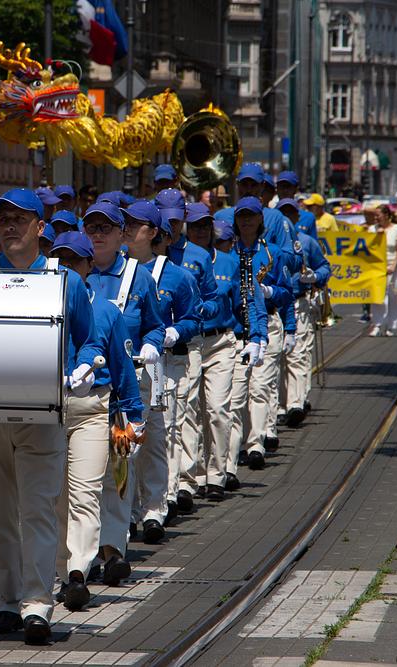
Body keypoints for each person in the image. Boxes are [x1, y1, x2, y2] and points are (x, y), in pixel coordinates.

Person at [0, 188, 99, 645]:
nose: (9, 226)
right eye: (3, 219)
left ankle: (37, 606)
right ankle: (6, 604)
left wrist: (84, 366)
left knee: (39, 512)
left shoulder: (65, 280)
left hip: (44, 412)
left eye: (19, 219)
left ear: (40, 227)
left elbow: (89, 340)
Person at [48, 231, 144, 611]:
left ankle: (77, 573)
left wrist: (134, 419)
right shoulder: (42, 306)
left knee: (87, 494)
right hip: (49, 409)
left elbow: (122, 370)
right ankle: (60, 570)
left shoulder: (106, 310)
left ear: (89, 267)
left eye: (75, 261)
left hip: (95, 410)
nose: (68, 267)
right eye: (61, 260)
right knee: (55, 499)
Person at [116, 199, 200, 547]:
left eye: (135, 224)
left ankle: (153, 509)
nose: (127, 229)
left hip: (158, 367)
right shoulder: (112, 270)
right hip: (122, 368)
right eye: (126, 223)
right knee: (123, 444)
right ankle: (127, 512)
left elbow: (193, 318)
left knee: (156, 440)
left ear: (152, 232)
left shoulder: (177, 276)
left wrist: (173, 333)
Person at [190, 216, 267, 493]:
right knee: (191, 413)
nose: (200, 232)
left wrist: (256, 337)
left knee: (219, 410)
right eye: (194, 226)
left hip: (222, 341)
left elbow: (248, 302)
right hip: (189, 342)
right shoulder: (177, 261)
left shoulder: (232, 264)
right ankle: (194, 475)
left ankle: (218, 473)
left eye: (205, 227)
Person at [157, 192, 219, 511]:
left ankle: (186, 480)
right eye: (166, 221)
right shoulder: (148, 255)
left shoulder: (198, 255)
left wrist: (197, 314)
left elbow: (212, 298)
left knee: (186, 409)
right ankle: (167, 480)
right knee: (164, 417)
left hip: (188, 342)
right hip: (155, 348)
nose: (172, 227)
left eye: (177, 221)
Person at [228, 197, 293, 471]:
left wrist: (269, 291)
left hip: (267, 323)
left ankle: (255, 444)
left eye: (251, 216)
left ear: (260, 220)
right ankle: (237, 443)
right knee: (236, 392)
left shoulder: (273, 253)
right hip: (236, 328)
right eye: (241, 216)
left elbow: (287, 292)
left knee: (260, 386)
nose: (246, 221)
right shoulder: (226, 253)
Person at [275, 199, 330, 427]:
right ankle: (278, 405)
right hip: (274, 306)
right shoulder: (269, 243)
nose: (287, 218)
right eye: (283, 214)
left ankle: (295, 404)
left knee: (297, 355)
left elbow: (324, 267)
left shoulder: (306, 242)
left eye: (291, 213)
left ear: (297, 218)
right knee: (276, 359)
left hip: (299, 303)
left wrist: (314, 277)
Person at [369, 204, 397, 337]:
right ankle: (377, 323)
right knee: (378, 296)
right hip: (377, 268)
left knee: (394, 295)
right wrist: (376, 236)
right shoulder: (372, 229)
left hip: (394, 267)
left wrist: (394, 266)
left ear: (387, 215)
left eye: (378, 215)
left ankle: (391, 325)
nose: (376, 217)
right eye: (375, 215)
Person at [276, 171, 317, 239]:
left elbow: (312, 246)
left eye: (288, 187)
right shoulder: (269, 216)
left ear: (295, 189)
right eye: (281, 187)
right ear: (277, 189)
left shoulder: (308, 217)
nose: (285, 190)